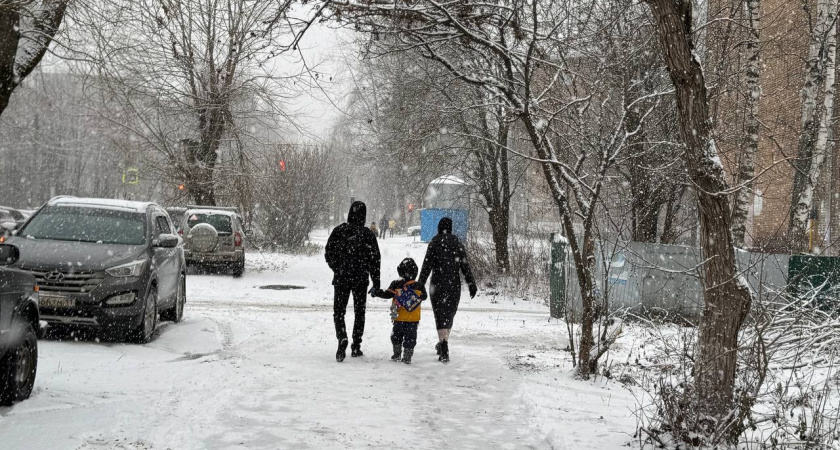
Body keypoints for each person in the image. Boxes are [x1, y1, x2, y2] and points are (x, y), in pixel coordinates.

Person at [325, 201, 381, 362]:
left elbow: (328, 252)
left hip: (342, 277)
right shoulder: (367, 235)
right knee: (359, 312)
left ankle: (342, 337)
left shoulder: (339, 231)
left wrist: (337, 268)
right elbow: (375, 260)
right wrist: (376, 281)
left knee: (339, 312)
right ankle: (356, 345)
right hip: (360, 279)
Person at [418, 217, 477, 363]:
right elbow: (465, 266)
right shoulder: (457, 243)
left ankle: (443, 344)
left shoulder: (434, 243)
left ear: (439, 227)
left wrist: (420, 284)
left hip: (437, 284)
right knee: (449, 314)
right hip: (453, 285)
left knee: (439, 314)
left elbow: (426, 266)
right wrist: (471, 284)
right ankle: (444, 342)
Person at [372, 258, 427, 364]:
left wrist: (376, 292)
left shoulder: (396, 284)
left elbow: (387, 294)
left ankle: (397, 353)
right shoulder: (419, 285)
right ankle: (407, 356)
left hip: (399, 317)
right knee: (410, 338)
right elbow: (424, 297)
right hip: (413, 319)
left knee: (396, 336)